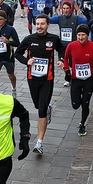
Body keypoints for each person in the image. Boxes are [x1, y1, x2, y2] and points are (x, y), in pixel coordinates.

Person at [15, 14, 65, 155]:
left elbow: (62, 49)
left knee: (41, 110)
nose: (39, 26)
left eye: (42, 24)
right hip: (32, 79)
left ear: (47, 25)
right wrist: (27, 61)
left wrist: (61, 59)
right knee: (37, 105)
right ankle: (47, 106)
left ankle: (39, 143)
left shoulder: (53, 39)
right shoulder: (29, 39)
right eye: (37, 24)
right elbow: (17, 54)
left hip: (47, 79)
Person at [63, 24, 93, 136]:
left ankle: (82, 124)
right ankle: (80, 99)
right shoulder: (71, 46)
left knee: (85, 104)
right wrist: (67, 71)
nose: (80, 37)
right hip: (76, 79)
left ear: (88, 35)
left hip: (88, 79)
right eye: (79, 35)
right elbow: (65, 58)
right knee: (75, 105)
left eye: (83, 35)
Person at [49, 1, 88, 87]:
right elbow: (49, 20)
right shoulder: (59, 18)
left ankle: (74, 77)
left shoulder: (76, 18)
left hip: (73, 44)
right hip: (63, 45)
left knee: (73, 63)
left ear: (71, 9)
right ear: (62, 9)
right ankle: (68, 76)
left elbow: (86, 21)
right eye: (64, 9)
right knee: (63, 62)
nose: (66, 10)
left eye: (67, 8)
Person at [0, 10, 20, 97]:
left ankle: (14, 89)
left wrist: (8, 42)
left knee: (11, 75)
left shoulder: (10, 29)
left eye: (1, 19)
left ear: (5, 19)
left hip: (8, 57)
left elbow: (18, 43)